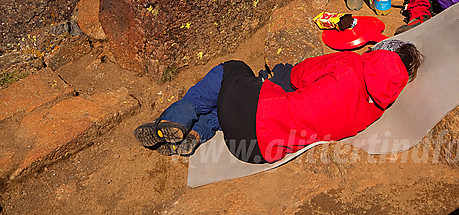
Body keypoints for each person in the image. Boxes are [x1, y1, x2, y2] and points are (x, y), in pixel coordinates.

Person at [134, 40, 423, 163]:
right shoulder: (375, 111)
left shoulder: (351, 63)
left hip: (252, 113)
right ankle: (198, 133)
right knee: (238, 103)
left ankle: (178, 117)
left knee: (234, 70)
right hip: (253, 151)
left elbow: (298, 74)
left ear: (381, 52)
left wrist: (279, 75)